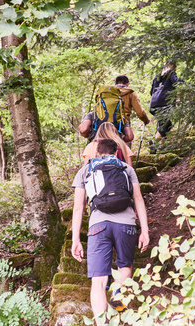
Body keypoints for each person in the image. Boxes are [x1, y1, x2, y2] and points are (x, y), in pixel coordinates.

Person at [71, 139, 150, 323]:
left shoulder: (86, 170)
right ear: (116, 153)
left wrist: (76, 239)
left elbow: (78, 208)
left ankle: (101, 322)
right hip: (126, 224)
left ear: (96, 153)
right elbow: (138, 200)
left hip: (98, 225)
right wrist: (144, 230)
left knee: (98, 280)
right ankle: (117, 291)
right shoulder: (126, 169)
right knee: (125, 267)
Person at [149, 62, 179, 139]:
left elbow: (151, 92)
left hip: (154, 104)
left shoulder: (157, 77)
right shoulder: (171, 73)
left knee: (164, 125)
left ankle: (160, 147)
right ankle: (154, 143)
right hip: (164, 104)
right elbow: (177, 83)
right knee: (166, 125)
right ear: (174, 67)